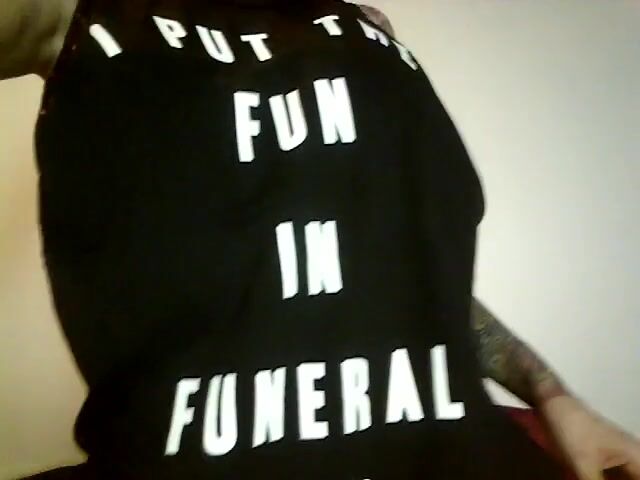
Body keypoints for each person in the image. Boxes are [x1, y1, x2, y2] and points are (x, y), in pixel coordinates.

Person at [2, 1, 639, 479]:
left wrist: (552, 396)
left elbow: (396, 274)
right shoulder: (90, 16)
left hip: (453, 456)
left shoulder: (364, 29)